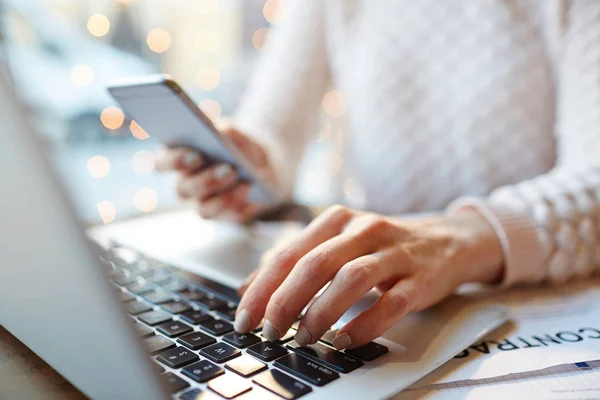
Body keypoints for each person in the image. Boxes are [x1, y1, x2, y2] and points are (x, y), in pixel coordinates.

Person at [155, 0, 600, 350]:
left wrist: (455, 241)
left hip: (533, 308)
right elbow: (274, 133)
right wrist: (248, 169)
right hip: (377, 295)